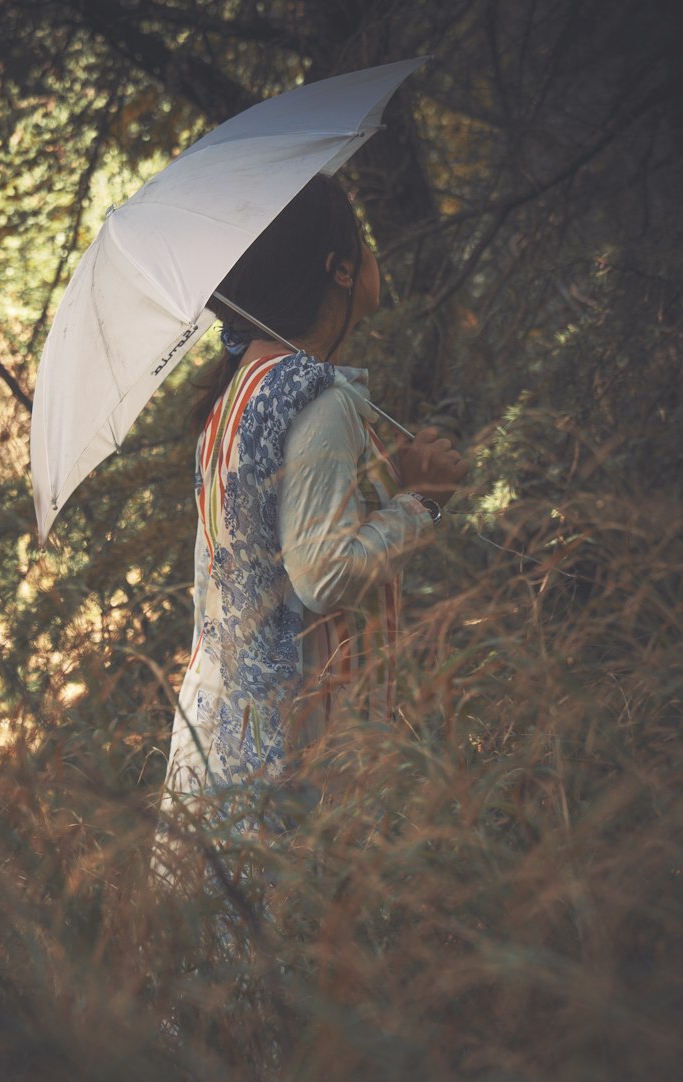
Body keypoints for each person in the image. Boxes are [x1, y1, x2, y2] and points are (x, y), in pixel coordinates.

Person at [158, 174, 470, 841]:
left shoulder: (234, 399)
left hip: (224, 720)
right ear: (339, 270)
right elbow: (323, 576)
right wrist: (422, 503)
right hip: (300, 730)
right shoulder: (317, 401)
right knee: (305, 926)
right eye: (366, 245)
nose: (375, 258)